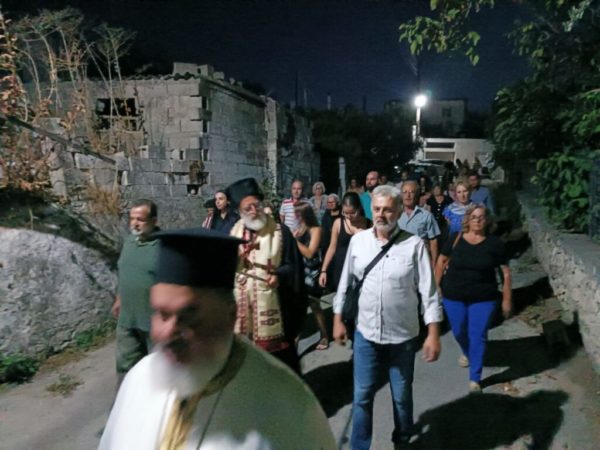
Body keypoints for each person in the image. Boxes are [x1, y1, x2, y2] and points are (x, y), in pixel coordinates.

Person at [99, 229, 336, 450]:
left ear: (230, 315)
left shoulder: (287, 400)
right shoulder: (138, 379)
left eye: (188, 316)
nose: (168, 333)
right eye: (161, 313)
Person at [333, 185, 443, 450]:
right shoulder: (359, 242)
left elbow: (428, 292)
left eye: (388, 210)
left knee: (401, 396)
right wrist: (337, 319)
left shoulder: (414, 245)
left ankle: (402, 440)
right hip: (365, 334)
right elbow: (345, 283)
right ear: (372, 209)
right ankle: (360, 447)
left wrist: (433, 333)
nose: (381, 214)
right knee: (362, 396)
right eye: (377, 209)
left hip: (402, 337)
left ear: (398, 212)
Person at [228, 178, 306, 373]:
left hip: (277, 315)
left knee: (281, 371)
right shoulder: (231, 236)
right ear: (239, 211)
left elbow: (294, 268)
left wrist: (279, 276)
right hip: (242, 317)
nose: (254, 211)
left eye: (257, 205)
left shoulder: (281, 232)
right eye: (248, 208)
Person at [434, 204, 512, 393]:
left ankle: (475, 378)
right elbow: (441, 260)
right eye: (474, 217)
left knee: (477, 335)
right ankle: (468, 352)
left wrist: (507, 299)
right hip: (454, 294)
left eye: (481, 217)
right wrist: (436, 287)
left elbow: (505, 272)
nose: (477, 220)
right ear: (467, 220)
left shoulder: (494, 244)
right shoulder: (456, 238)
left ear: (487, 221)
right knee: (459, 331)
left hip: (483, 298)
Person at [111, 199, 159, 385]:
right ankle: (125, 401)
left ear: (153, 220)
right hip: (127, 319)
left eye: (140, 219)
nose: (135, 223)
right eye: (132, 219)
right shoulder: (129, 242)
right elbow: (125, 272)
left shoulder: (163, 245)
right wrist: (119, 298)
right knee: (126, 369)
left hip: (153, 321)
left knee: (158, 371)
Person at [293, 201, 330, 350]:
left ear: (305, 214)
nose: (295, 216)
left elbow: (309, 253)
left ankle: (324, 335)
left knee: (314, 305)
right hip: (300, 271)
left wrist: (293, 240)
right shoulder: (300, 228)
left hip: (312, 273)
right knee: (298, 306)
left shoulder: (316, 229)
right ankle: (295, 339)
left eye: (297, 214)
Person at [319, 192, 371, 292]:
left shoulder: (368, 224)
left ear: (359, 209)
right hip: (341, 268)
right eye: (345, 213)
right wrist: (323, 270)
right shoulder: (338, 223)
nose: (349, 216)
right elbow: (332, 247)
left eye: (352, 213)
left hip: (360, 270)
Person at [398, 181, 441, 263]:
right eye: (405, 192)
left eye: (411, 192)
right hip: (398, 260)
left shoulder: (427, 216)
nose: (408, 195)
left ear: (417, 195)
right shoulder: (395, 215)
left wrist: (434, 263)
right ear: (401, 195)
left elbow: (433, 241)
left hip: (420, 260)